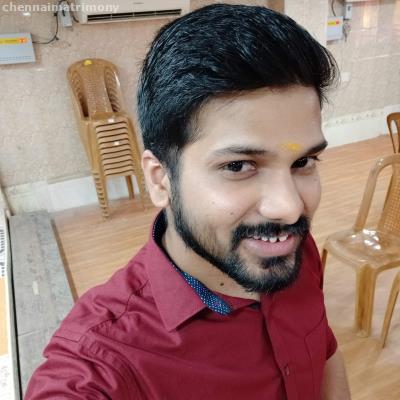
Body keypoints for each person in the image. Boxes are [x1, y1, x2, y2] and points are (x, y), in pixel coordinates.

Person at [26, 4, 351, 399]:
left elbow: (325, 351)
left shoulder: (291, 250)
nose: (290, 208)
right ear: (160, 180)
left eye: (303, 162)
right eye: (238, 166)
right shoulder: (104, 362)